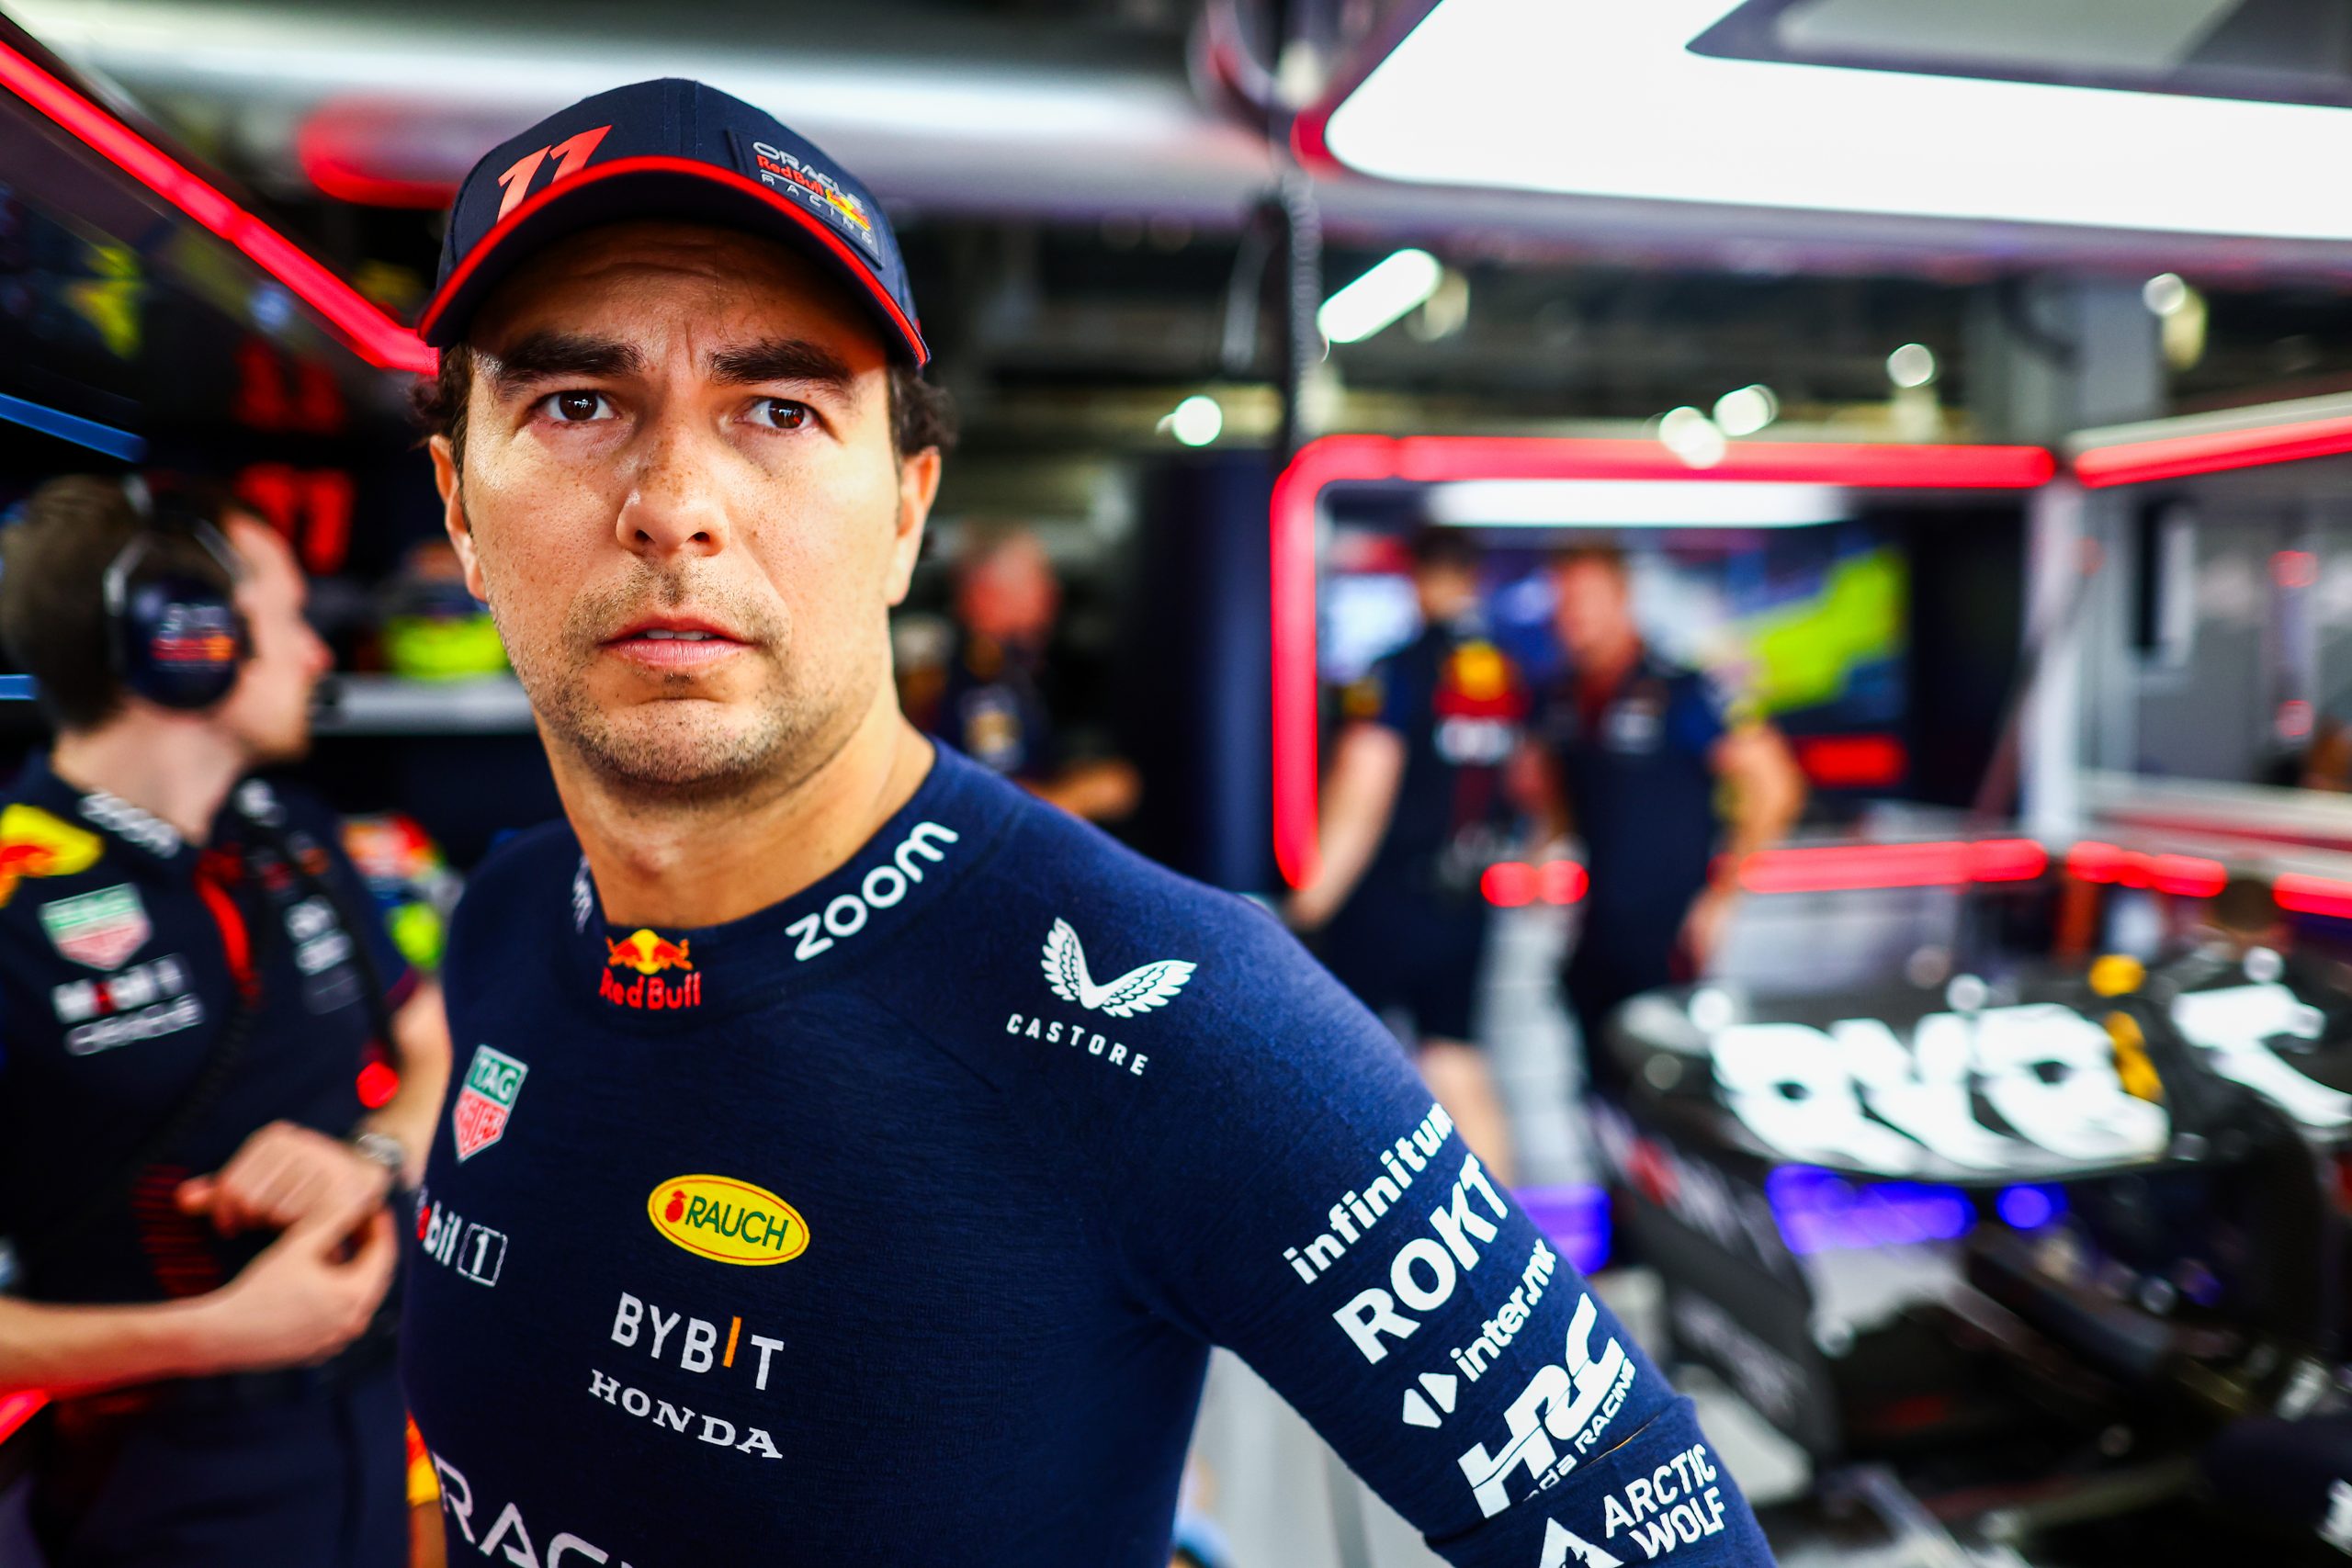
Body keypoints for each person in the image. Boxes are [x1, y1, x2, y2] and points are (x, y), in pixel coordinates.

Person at [401, 78, 1775, 1567]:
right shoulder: (513, 919)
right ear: (461, 503)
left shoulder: (1173, 1011)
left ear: (908, 511)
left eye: (780, 408)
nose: (675, 501)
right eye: (577, 403)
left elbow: (1657, 1528)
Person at [0, 478, 450, 1566]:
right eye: (286, 617)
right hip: (157, 1494)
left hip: (375, 1437)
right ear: (181, 641)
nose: (313, 654)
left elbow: (433, 1042)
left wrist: (369, 1161)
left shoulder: (288, 835)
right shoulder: (13, 899)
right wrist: (216, 1335)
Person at [1290, 528, 1521, 1182]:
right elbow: (1526, 778)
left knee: (1336, 1066)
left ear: (1417, 578)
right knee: (1456, 1062)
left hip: (1390, 898)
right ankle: (1510, 1251)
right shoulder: (1503, 669)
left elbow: (1366, 784)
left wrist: (1310, 902)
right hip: (1470, 897)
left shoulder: (1401, 666)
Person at [1533, 547, 1806, 1095]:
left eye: (1585, 599)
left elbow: (1776, 786)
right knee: (1600, 1096)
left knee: (1670, 1098)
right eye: (1562, 602)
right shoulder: (1562, 700)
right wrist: (1547, 843)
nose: (1573, 616)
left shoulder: (1682, 687)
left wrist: (1722, 897)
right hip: (1594, 937)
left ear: (1622, 598)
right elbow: (1561, 803)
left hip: (1667, 938)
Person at [908, 524, 1140, 822]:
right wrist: (1084, 794)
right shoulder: (980, 680)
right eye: (1037, 580)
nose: (1052, 594)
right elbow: (993, 803)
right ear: (986, 593)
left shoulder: (1016, 666)